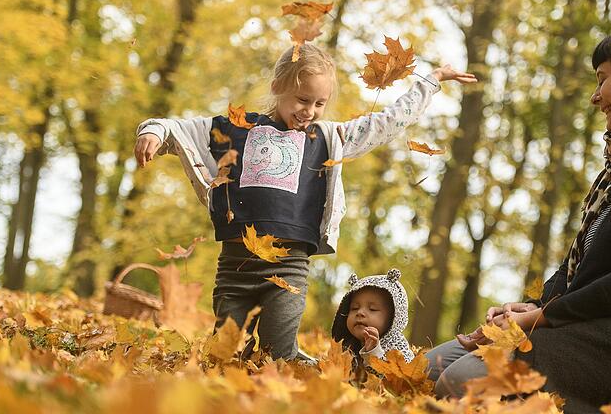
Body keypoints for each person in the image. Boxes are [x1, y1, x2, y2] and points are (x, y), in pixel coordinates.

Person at [425, 27, 611, 412]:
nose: (595, 96)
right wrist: (528, 307)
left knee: (463, 381)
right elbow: (580, 271)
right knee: (432, 367)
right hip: (592, 322)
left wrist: (541, 318)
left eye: (602, 80)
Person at [134, 43, 476, 360]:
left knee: (277, 353)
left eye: (319, 103)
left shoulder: (327, 139)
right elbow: (179, 130)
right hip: (235, 267)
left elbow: (384, 123)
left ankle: (301, 381)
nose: (309, 111)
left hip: (289, 267)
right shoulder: (238, 128)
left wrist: (430, 81)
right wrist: (152, 132)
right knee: (223, 352)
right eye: (302, 99)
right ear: (277, 86)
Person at [331, 269, 414, 365]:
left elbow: (398, 376)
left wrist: (374, 353)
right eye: (354, 308)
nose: (360, 312)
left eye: (372, 309)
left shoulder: (397, 347)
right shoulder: (347, 345)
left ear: (393, 318)